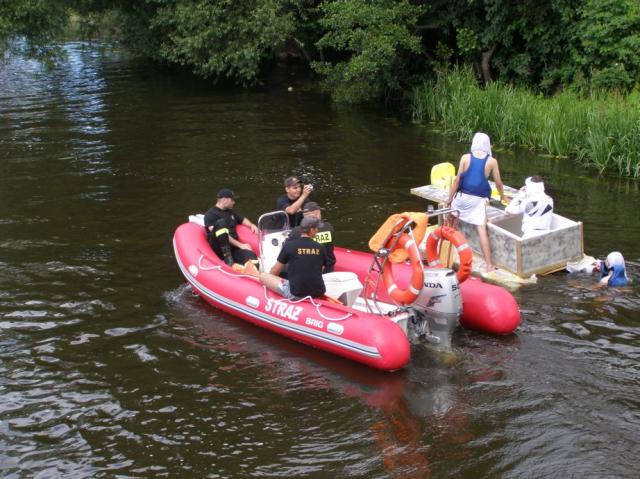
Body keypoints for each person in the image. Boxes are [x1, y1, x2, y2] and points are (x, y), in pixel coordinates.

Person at [445, 132, 505, 271]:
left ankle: (447, 250)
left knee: (451, 219)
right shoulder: (492, 161)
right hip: (476, 202)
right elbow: (499, 184)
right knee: (481, 229)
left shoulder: (465, 158)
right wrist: (503, 197)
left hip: (461, 198)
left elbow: (457, 180)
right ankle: (489, 265)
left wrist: (449, 200)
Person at [258, 216, 327, 299]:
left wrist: (271, 278)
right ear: (312, 230)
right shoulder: (321, 248)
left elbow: (275, 270)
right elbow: (320, 270)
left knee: (263, 276)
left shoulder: (289, 246)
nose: (317, 231)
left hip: (296, 294)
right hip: (318, 292)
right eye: (316, 229)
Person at [204, 188, 258, 266]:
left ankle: (250, 274)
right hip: (219, 248)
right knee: (221, 223)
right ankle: (227, 257)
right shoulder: (210, 214)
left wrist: (252, 224)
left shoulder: (231, 213)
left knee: (251, 256)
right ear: (224, 199)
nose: (234, 202)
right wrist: (241, 245)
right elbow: (220, 234)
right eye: (232, 200)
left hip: (233, 248)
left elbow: (242, 219)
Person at [288, 201, 336, 273]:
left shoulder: (296, 232)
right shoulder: (328, 227)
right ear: (317, 212)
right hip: (328, 269)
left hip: (307, 270)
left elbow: (289, 251)